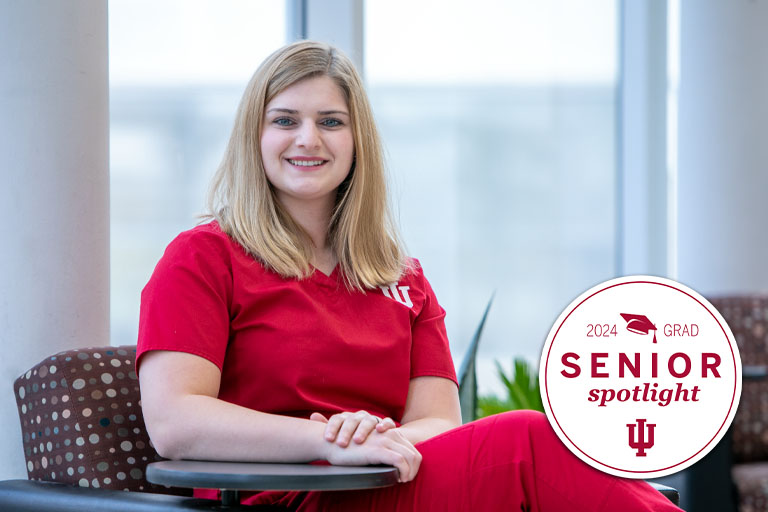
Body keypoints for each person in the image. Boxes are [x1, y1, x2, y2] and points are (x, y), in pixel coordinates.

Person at [136, 40, 682, 511]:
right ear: (254, 136)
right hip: (280, 498)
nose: (309, 139)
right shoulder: (202, 257)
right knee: (527, 441)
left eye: (331, 122)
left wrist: (372, 438)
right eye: (284, 120)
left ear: (357, 142)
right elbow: (176, 422)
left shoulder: (401, 276)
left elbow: (438, 423)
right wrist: (330, 439)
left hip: (384, 487)